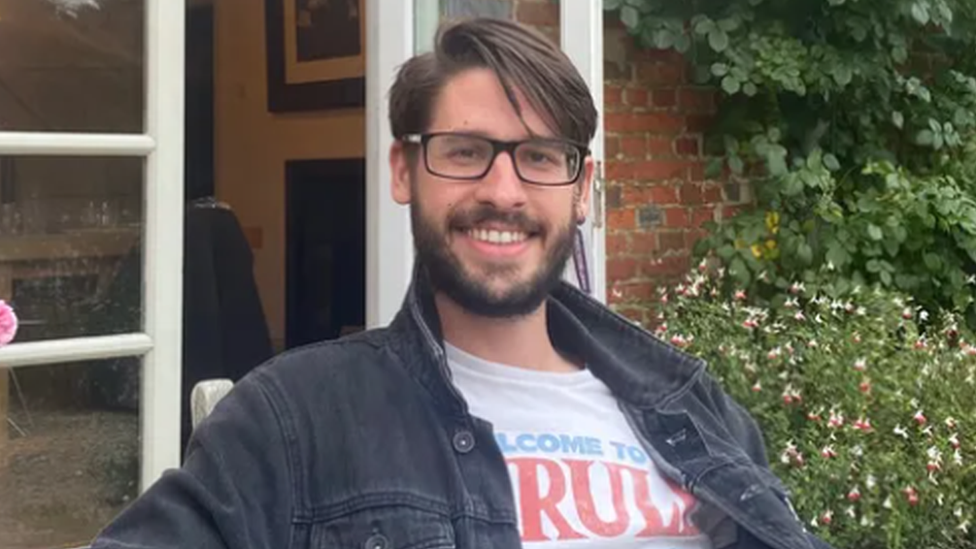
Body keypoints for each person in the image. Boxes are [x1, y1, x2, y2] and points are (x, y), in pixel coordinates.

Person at [90, 17, 832, 549]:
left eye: (540, 156)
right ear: (403, 170)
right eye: (466, 151)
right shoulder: (294, 421)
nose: (504, 190)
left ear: (582, 188)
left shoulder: (692, 406)